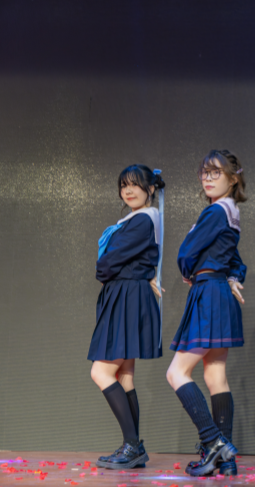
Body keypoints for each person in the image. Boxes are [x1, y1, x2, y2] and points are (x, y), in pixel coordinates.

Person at [166, 150, 247, 477]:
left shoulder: (216, 211)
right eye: (205, 172)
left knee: (176, 373)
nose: (208, 178)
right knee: (215, 375)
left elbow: (186, 252)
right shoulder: (231, 211)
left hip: (209, 293)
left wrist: (188, 271)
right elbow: (236, 260)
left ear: (233, 178)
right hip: (219, 293)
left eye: (216, 173)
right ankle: (226, 459)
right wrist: (234, 276)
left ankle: (214, 442)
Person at [89, 165, 165, 469]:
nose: (128, 190)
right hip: (127, 295)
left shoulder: (143, 220)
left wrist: (104, 269)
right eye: (124, 185)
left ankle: (132, 445)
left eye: (135, 184)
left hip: (127, 296)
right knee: (124, 375)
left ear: (151, 189)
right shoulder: (140, 219)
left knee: (101, 372)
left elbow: (107, 262)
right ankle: (133, 446)